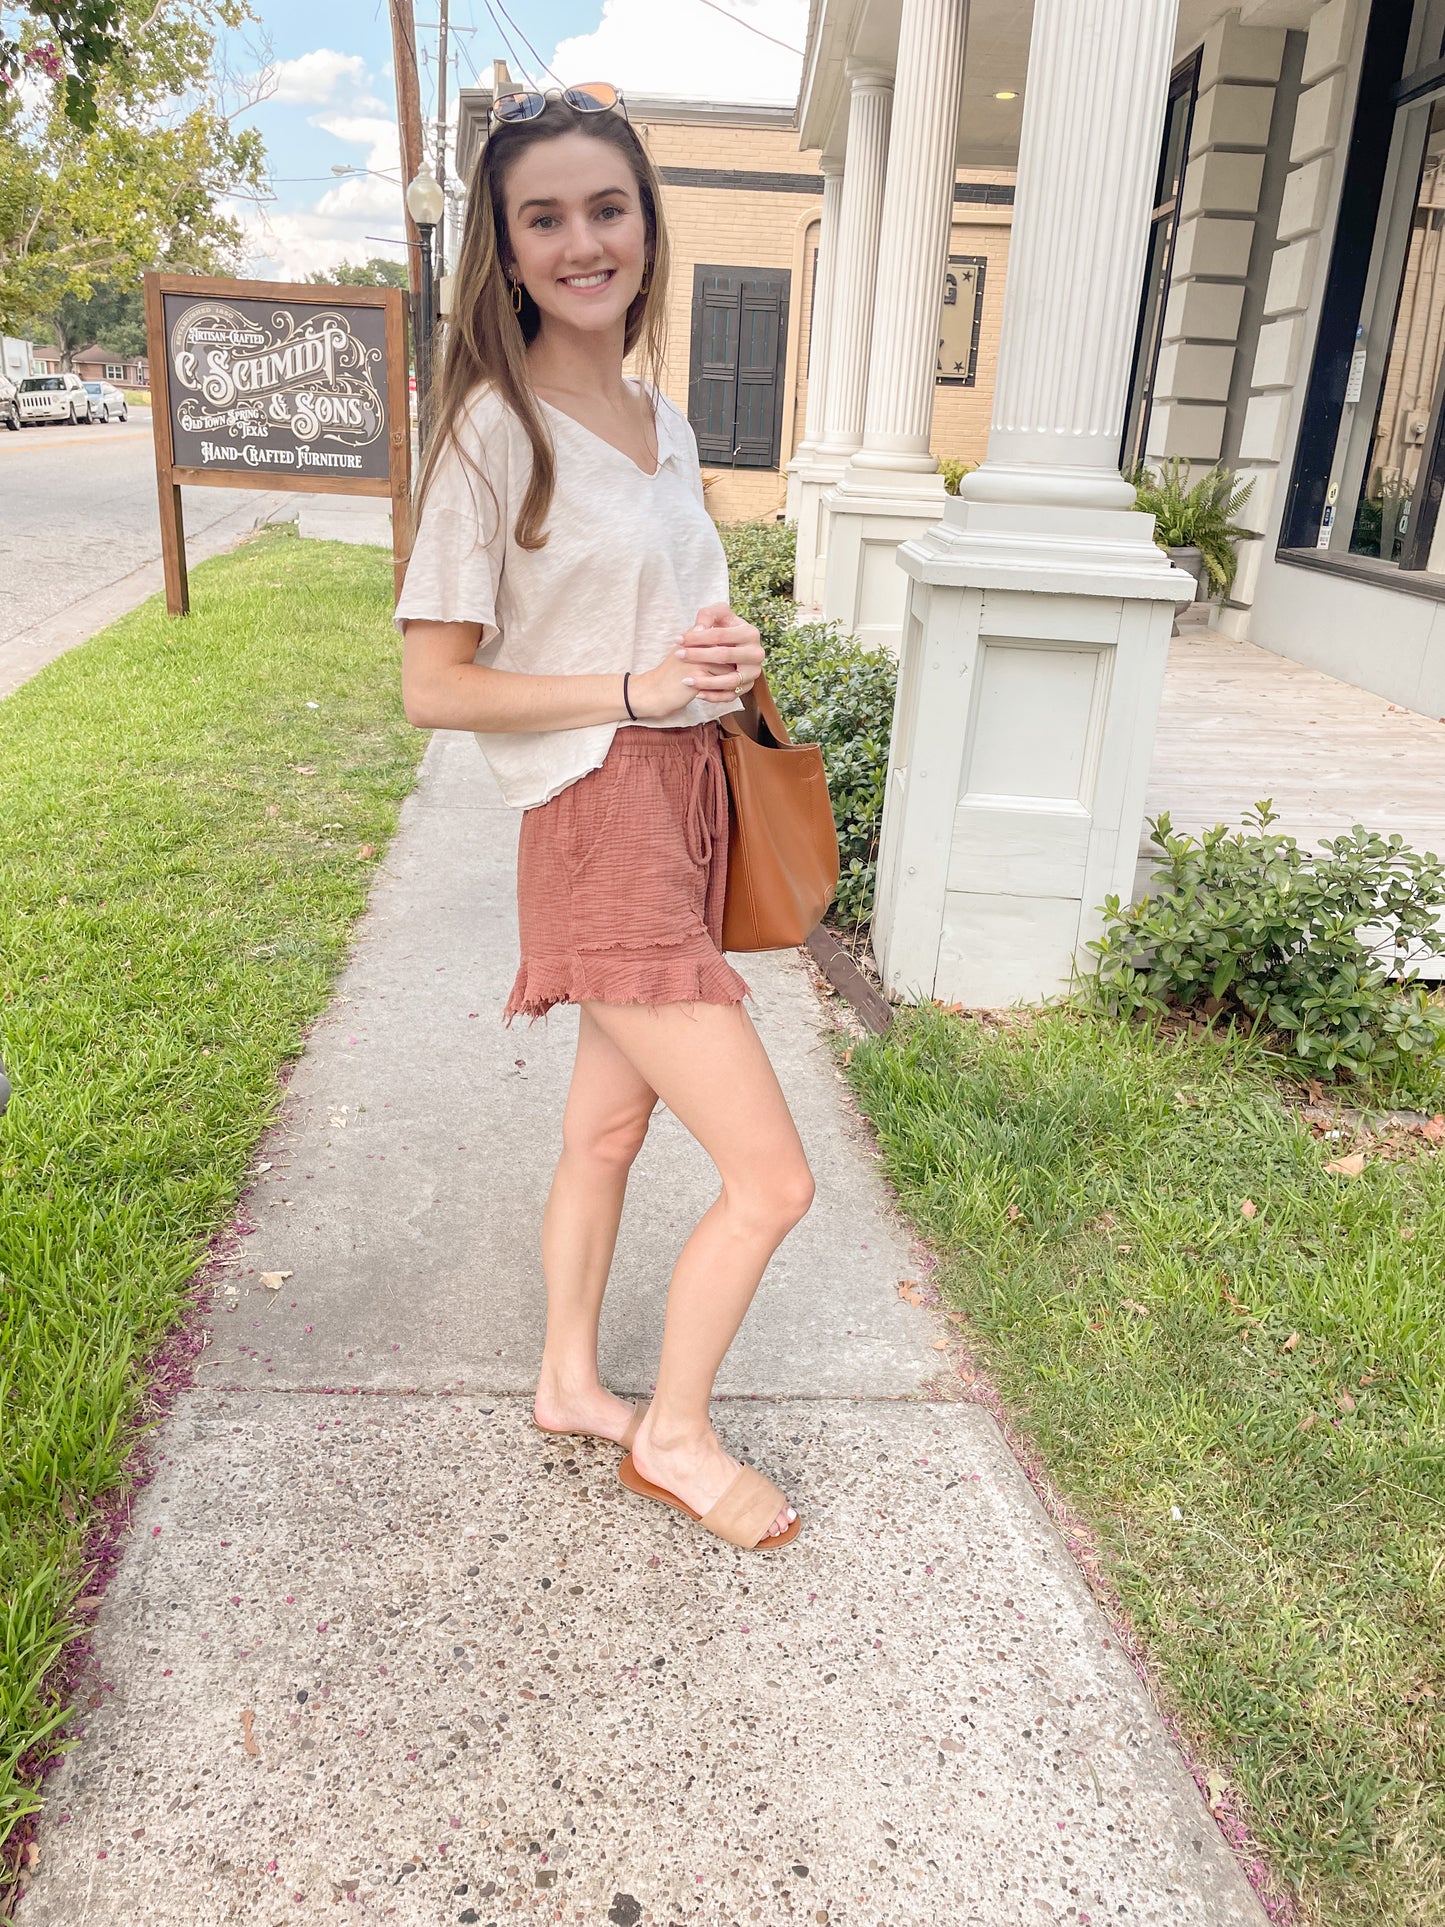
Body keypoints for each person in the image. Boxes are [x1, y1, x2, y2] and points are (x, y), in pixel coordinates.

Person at [394, 83, 813, 1552]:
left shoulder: (659, 418)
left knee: (605, 1138)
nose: (584, 240)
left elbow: (663, 611)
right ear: (505, 253)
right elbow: (434, 688)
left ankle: (572, 1382)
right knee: (772, 1177)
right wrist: (635, 692)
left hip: (686, 796)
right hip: (596, 815)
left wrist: (721, 659)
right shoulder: (489, 435)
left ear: (646, 220)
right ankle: (676, 1439)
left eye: (607, 206)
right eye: (545, 217)